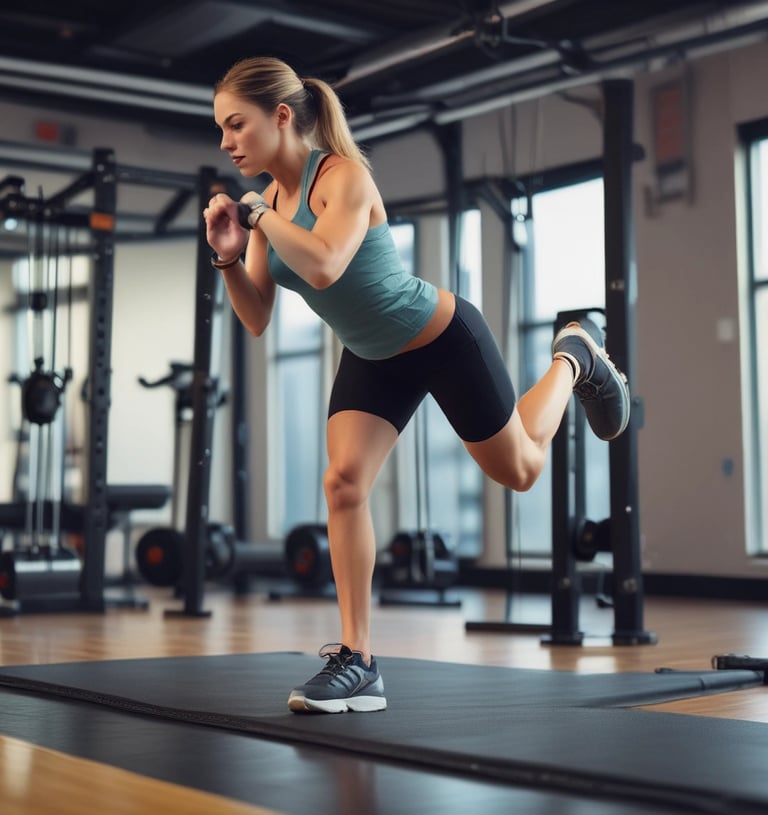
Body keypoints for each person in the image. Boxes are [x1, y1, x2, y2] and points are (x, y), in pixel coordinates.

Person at [203, 56, 630, 714]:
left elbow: (323, 265)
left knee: (520, 468)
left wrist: (257, 219)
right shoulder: (274, 206)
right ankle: (360, 659)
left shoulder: (341, 177)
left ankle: (575, 355)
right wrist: (230, 253)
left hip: (440, 338)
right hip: (374, 356)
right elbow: (257, 317)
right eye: (221, 129)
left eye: (236, 125)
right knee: (342, 483)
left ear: (281, 117)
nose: (227, 141)